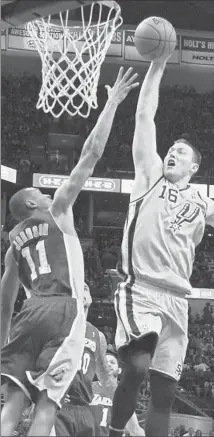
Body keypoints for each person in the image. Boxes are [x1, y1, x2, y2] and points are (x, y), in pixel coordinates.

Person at [1, 66, 139, 437]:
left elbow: (4, 300)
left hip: (25, 317)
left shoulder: (13, 244)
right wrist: (111, 103)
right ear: (32, 203)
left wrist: (6, 343)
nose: (47, 194)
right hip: (62, 310)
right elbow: (91, 153)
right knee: (46, 405)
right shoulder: (58, 211)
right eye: (40, 194)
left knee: (13, 402)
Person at [109, 52, 214, 437]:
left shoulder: (203, 203)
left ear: (194, 167)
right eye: (171, 148)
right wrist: (158, 64)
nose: (172, 151)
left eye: (181, 152)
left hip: (179, 302)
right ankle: (113, 433)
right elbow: (144, 117)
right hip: (143, 291)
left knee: (165, 394)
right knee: (136, 369)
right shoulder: (151, 176)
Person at [54, 284, 144, 437]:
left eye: (86, 288)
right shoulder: (57, 327)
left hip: (84, 411)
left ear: (90, 299)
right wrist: (49, 393)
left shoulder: (97, 335)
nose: (82, 291)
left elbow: (107, 379)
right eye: (77, 288)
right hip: (59, 407)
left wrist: (132, 422)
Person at [90, 351, 144, 436]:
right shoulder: (87, 387)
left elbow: (135, 429)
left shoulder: (125, 394)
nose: (109, 365)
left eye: (112, 362)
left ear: (119, 370)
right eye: (105, 362)